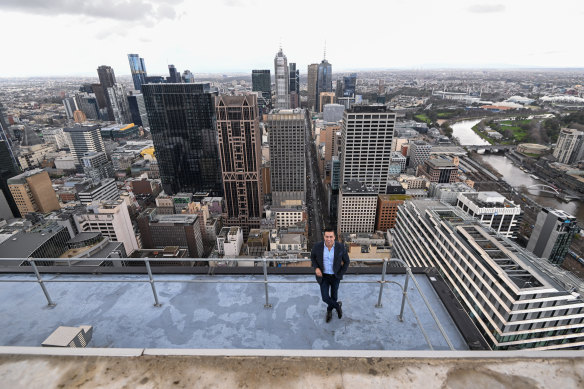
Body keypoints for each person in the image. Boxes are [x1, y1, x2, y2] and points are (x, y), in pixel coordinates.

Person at [311, 227, 350, 322]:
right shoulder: (317, 246)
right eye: (327, 236)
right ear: (324, 237)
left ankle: (329, 311)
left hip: (335, 276)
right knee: (325, 297)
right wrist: (316, 268)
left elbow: (347, 261)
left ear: (334, 237)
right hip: (323, 276)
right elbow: (312, 257)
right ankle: (337, 306)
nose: (329, 239)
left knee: (334, 297)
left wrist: (340, 274)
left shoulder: (340, 247)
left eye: (331, 237)